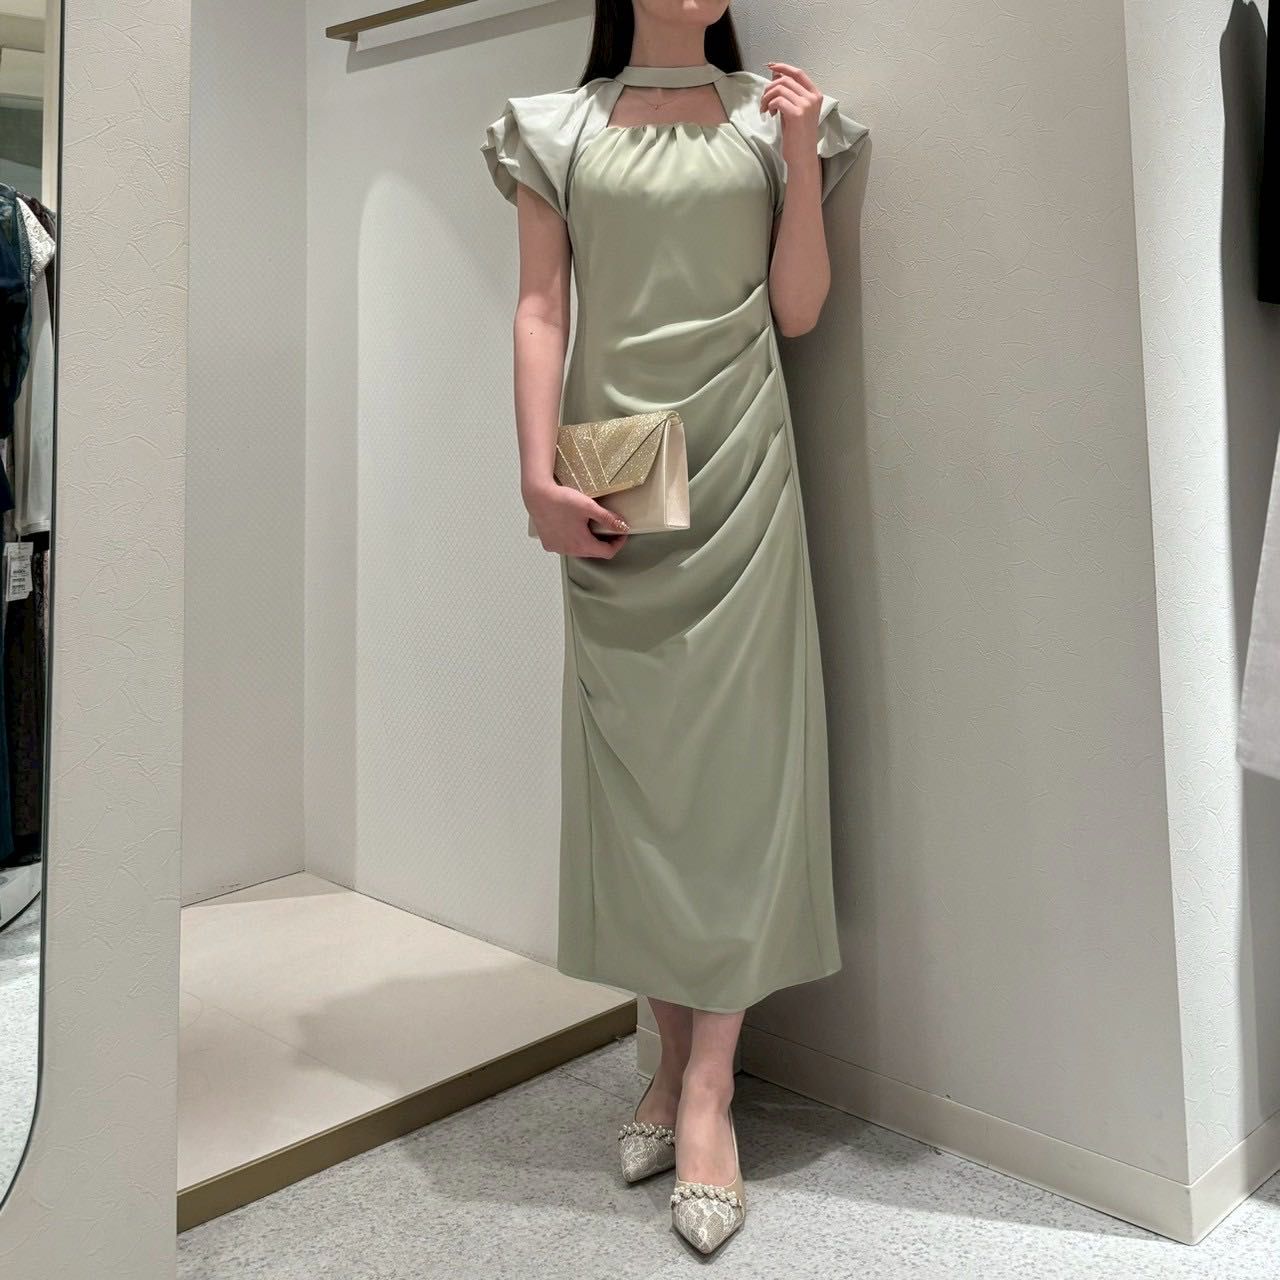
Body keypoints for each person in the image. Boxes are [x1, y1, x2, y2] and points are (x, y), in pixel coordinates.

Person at [481, 0, 869, 1256]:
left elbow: (797, 310)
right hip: (614, 466)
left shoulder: (771, 116)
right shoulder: (554, 126)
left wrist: (798, 159)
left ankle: (706, 1087)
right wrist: (534, 477)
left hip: (742, 456)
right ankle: (663, 1053)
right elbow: (541, 308)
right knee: (638, 771)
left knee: (737, 773)